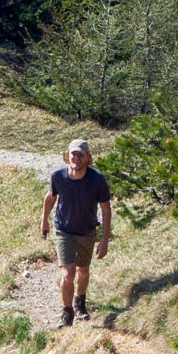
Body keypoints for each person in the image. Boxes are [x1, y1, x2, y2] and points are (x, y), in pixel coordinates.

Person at [41, 138, 111, 327]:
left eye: (81, 154)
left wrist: (104, 240)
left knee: (84, 270)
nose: (76, 158)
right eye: (73, 154)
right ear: (68, 157)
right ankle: (67, 313)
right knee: (68, 273)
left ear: (88, 157)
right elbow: (50, 198)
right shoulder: (58, 177)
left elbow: (105, 209)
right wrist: (44, 221)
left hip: (87, 231)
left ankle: (80, 301)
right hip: (63, 230)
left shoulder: (97, 180)